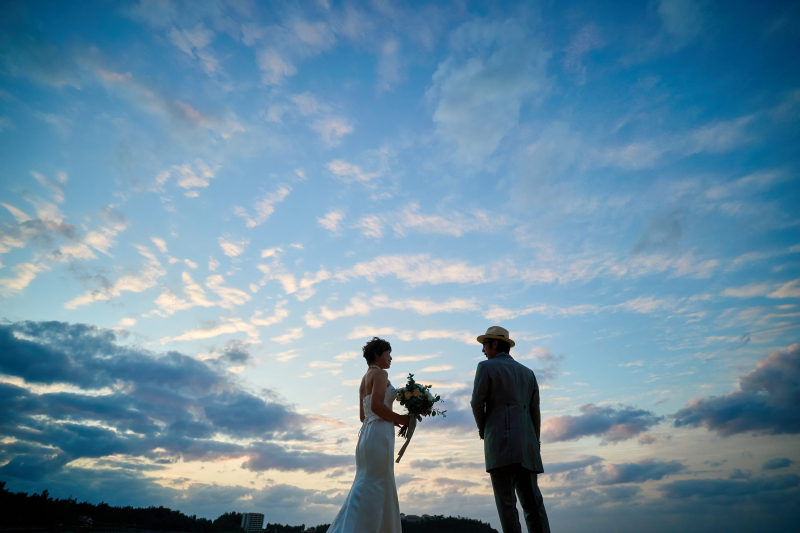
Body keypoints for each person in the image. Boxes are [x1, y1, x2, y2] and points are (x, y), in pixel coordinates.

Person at [471, 326, 551, 533]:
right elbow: (535, 412)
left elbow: (476, 404)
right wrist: (535, 442)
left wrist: (484, 429)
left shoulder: (486, 368)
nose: (483, 351)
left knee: (507, 505)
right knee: (534, 504)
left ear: (495, 344)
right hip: (528, 446)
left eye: (485, 346)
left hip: (499, 444)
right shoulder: (529, 373)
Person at [327, 337, 410, 533]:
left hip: (367, 435)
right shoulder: (381, 374)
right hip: (379, 436)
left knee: (370, 482)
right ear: (377, 354)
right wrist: (403, 419)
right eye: (388, 353)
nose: (391, 357)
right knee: (377, 484)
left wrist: (392, 419)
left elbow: (363, 415)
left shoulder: (364, 379)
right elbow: (376, 406)